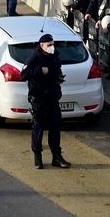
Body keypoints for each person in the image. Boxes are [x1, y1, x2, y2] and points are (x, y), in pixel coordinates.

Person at [23, 32, 70, 169]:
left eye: (53, 44)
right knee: (38, 129)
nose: (52, 47)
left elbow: (57, 70)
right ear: (42, 45)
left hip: (53, 97)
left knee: (55, 128)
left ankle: (57, 156)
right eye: (49, 45)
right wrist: (39, 70)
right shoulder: (34, 57)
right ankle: (38, 157)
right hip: (39, 99)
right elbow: (24, 74)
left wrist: (59, 77)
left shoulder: (55, 56)